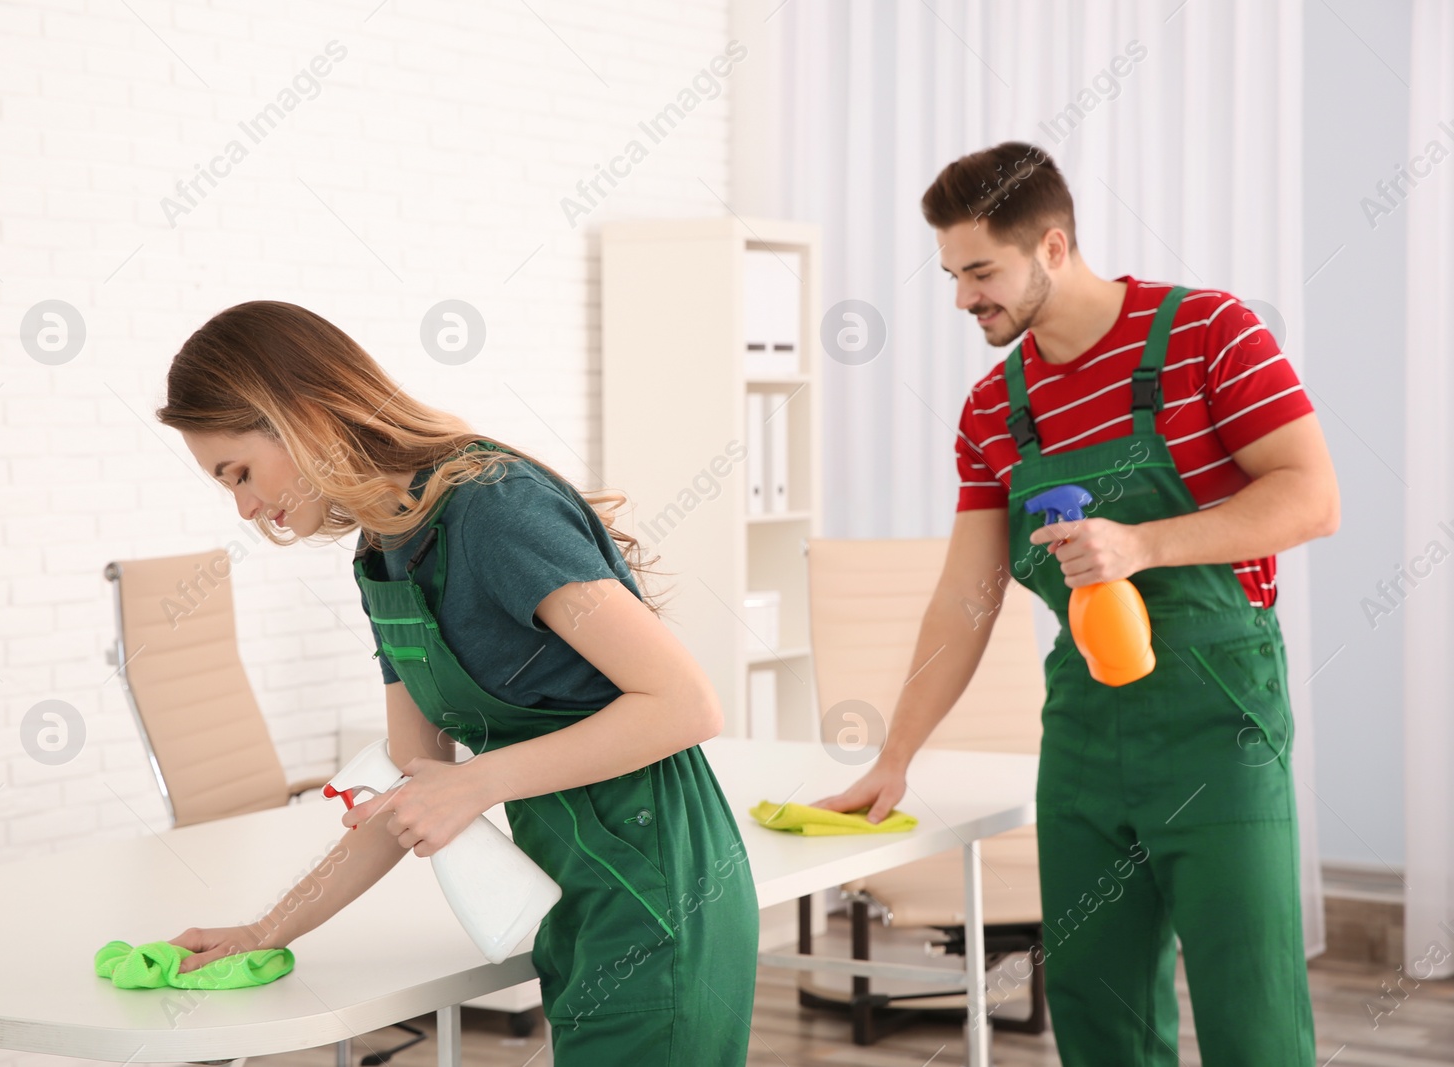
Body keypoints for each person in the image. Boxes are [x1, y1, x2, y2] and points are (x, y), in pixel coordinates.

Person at [816, 142, 1339, 1065]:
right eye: (950, 273)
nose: (963, 298)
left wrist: (1143, 545)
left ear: (1052, 248)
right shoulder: (992, 411)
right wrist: (895, 756)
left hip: (1218, 717)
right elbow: (967, 595)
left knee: (1250, 1007)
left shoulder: (1209, 333)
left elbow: (1311, 497)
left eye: (981, 270)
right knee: (1100, 1012)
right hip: (1086, 731)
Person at [151, 300, 758, 1064]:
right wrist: (267, 929)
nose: (243, 507)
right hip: (574, 892)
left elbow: (685, 703)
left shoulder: (495, 508)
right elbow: (415, 784)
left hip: (661, 887)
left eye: (239, 472)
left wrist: (476, 785)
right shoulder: (382, 552)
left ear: (297, 413)